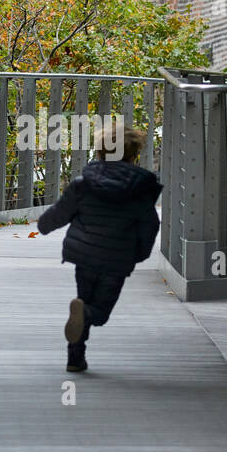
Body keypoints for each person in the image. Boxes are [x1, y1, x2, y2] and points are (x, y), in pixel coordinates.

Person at [36, 121, 162, 372]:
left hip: (84, 256)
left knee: (83, 301)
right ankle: (86, 322)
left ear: (101, 151)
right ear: (134, 154)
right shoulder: (140, 189)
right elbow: (150, 225)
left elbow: (62, 211)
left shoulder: (84, 183)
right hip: (117, 260)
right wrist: (139, 254)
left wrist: (44, 225)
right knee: (99, 312)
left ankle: (75, 357)